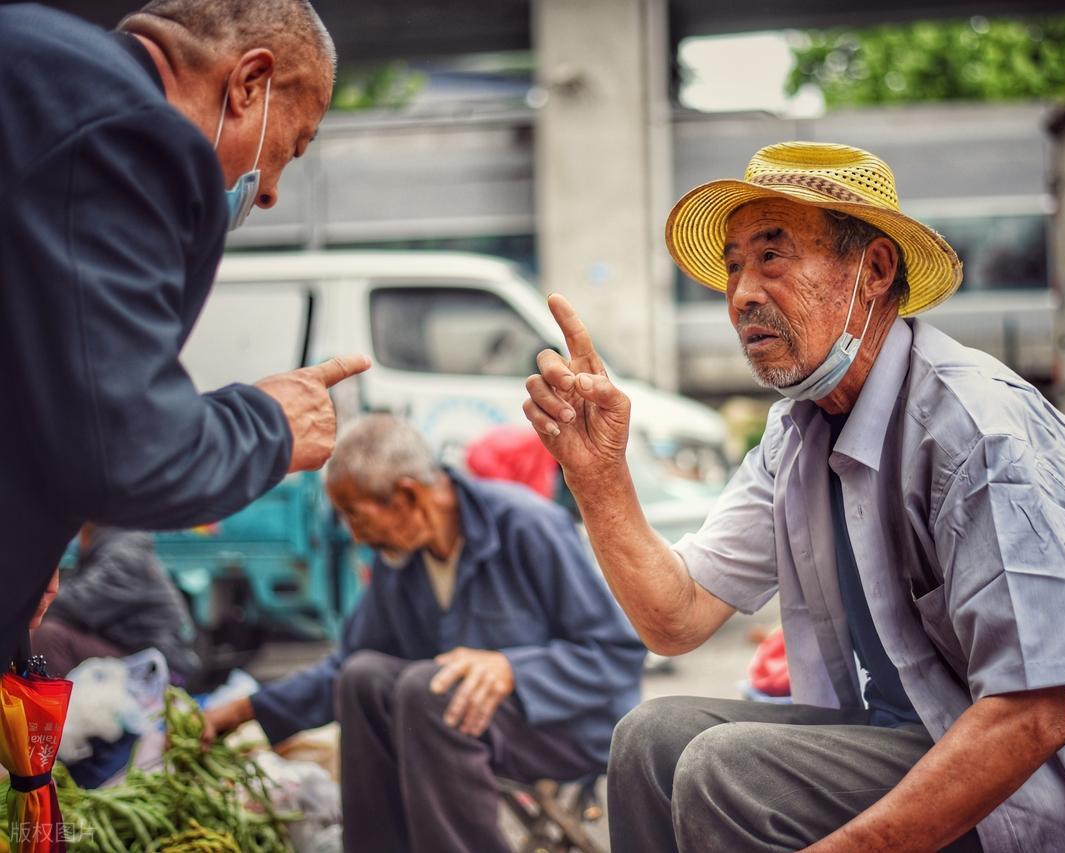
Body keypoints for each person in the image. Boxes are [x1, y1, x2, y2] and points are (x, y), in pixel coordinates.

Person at [522, 142, 1065, 852]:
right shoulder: (798, 433)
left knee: (722, 771)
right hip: (920, 742)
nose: (742, 295)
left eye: (773, 256)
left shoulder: (976, 432)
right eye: (733, 267)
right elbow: (675, 618)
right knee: (651, 737)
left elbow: (1032, 717)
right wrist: (597, 475)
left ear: (874, 270)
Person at [0, 0, 370, 667]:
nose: (271, 193)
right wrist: (272, 424)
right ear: (250, 82)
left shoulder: (34, 64)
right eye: (293, 145)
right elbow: (127, 454)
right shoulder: (134, 135)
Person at [203, 415, 647, 853]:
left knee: (427, 689)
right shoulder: (401, 557)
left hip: (567, 726)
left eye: (357, 516)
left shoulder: (526, 525)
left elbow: (615, 652)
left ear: (407, 497)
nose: (357, 536)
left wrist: (513, 669)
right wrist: (240, 711)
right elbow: (345, 667)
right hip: (470, 725)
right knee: (363, 678)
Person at [32, 524, 201, 682]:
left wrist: (25, 604)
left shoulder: (124, 553)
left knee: (50, 635)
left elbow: (77, 603)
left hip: (159, 666)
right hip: (134, 650)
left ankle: (52, 709)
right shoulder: (113, 547)